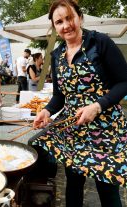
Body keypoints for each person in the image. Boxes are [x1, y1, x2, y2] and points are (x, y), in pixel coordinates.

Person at [32, 0, 127, 206]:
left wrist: (97, 106)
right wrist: (47, 111)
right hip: (74, 130)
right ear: (54, 27)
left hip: (106, 130)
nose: (66, 25)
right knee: (73, 184)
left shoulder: (100, 43)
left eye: (69, 18)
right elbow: (59, 96)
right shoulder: (56, 55)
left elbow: (124, 81)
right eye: (59, 22)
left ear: (80, 18)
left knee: (107, 189)